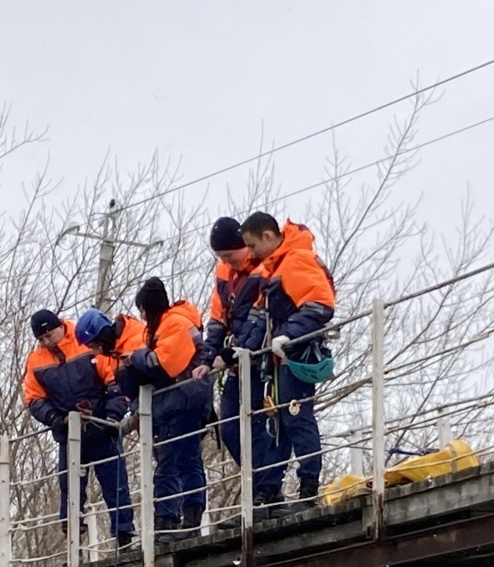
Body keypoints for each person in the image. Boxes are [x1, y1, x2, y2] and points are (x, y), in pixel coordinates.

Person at [241, 211, 336, 503]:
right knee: (278, 421)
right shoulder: (277, 265)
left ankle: (308, 487)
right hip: (279, 357)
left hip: (295, 354)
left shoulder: (295, 260)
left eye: (253, 246)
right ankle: (269, 490)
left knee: (296, 416)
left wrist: (289, 335)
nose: (252, 254)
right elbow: (262, 316)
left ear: (268, 236)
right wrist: (243, 348)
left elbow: (321, 304)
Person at [22, 308, 136, 547]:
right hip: (68, 432)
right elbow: (33, 399)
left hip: (102, 426)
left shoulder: (85, 342)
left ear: (59, 327)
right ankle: (74, 546)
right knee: (70, 493)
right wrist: (54, 418)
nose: (45, 342)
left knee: (116, 486)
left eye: (48, 336)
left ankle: (124, 537)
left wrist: (111, 416)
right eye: (40, 339)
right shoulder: (36, 361)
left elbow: (114, 381)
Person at [202, 216, 286, 505]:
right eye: (222, 257)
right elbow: (216, 319)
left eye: (230, 254)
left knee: (260, 424)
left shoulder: (265, 268)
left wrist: (235, 352)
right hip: (235, 361)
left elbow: (260, 315)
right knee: (229, 428)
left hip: (258, 359)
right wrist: (208, 356)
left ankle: (268, 492)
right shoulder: (224, 273)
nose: (228, 261)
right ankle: (260, 489)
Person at [124, 277, 212, 535]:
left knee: (184, 459)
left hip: (186, 398)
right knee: (181, 459)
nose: (141, 315)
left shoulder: (174, 324)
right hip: (179, 400)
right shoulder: (165, 325)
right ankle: (182, 518)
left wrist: (134, 357)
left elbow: (161, 362)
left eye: (142, 309)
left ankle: (190, 518)